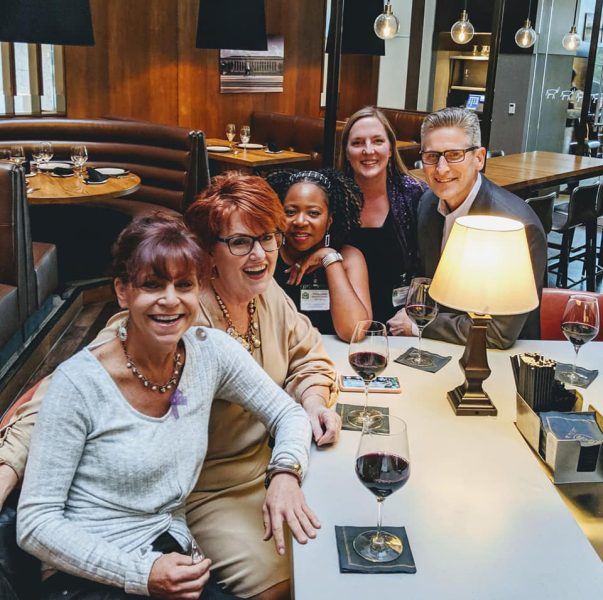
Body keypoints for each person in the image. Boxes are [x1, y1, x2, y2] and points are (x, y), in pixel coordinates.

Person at [0, 173, 340, 600]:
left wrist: (301, 429)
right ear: (207, 256)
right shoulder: (173, 323)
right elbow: (60, 394)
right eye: (240, 241)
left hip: (251, 475)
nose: (259, 253)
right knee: (293, 577)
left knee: (331, 552)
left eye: (268, 237)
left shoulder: (255, 302)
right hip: (197, 490)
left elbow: (305, 355)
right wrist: (7, 467)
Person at [387, 107, 547, 349]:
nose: (441, 168)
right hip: (436, 347)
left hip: (500, 359)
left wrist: (417, 325)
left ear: (479, 158)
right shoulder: (428, 203)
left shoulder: (516, 227)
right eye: (432, 156)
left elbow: (497, 333)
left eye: (454, 155)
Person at [338, 106, 426, 324]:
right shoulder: (331, 196)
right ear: (347, 153)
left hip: (401, 323)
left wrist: (414, 313)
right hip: (344, 324)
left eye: (377, 141)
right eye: (357, 143)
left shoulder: (416, 195)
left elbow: (432, 265)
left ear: (390, 149)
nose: (368, 150)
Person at [266, 169, 371, 341]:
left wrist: (329, 258)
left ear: (329, 220)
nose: (300, 221)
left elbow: (354, 331)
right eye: (290, 212)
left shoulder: (350, 257)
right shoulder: (268, 254)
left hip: (335, 361)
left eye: (313, 213)